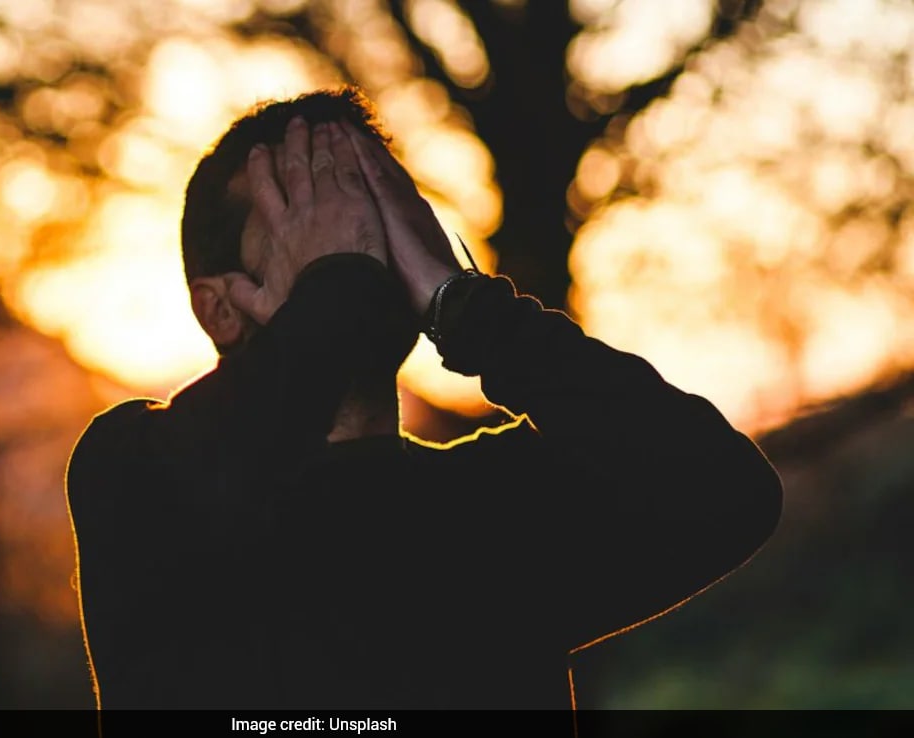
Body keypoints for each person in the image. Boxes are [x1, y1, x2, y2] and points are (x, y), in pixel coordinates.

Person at [64, 87, 783, 710]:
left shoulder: (501, 503)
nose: (360, 240)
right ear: (220, 309)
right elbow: (225, 473)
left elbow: (728, 492)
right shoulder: (136, 470)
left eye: (377, 209)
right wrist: (337, 284)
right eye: (314, 217)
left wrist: (462, 305)